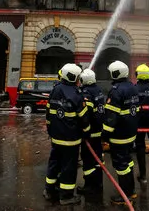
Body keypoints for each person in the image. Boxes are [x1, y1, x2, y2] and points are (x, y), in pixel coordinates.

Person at [43, 63, 90, 205]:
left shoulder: (55, 90)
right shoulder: (77, 94)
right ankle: (66, 196)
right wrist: (86, 132)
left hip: (56, 137)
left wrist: (50, 131)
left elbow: (48, 113)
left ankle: (49, 190)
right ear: (75, 77)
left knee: (54, 163)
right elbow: (83, 118)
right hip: (71, 140)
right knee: (68, 167)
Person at [103, 60, 140, 205]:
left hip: (119, 135)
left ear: (115, 73)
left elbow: (111, 117)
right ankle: (131, 190)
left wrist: (104, 134)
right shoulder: (132, 87)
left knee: (121, 165)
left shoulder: (117, 91)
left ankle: (126, 194)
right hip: (131, 133)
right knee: (128, 161)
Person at [77, 68, 106, 195]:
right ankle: (99, 184)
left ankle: (89, 186)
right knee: (98, 160)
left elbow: (86, 115)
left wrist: (84, 131)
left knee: (88, 160)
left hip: (90, 133)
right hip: (99, 131)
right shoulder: (98, 90)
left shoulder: (86, 94)